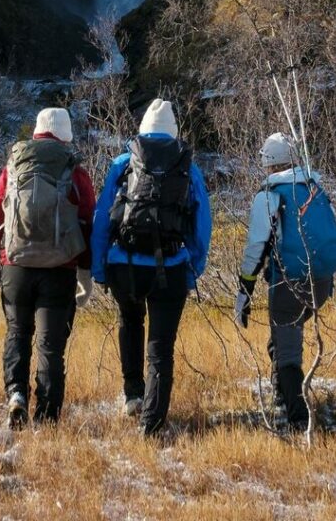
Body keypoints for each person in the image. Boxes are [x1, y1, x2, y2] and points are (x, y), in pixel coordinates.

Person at [91, 98, 212, 437]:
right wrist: (193, 267)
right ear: (173, 133)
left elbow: (103, 217)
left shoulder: (123, 162)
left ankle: (133, 395)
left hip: (125, 264)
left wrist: (100, 266)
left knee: (130, 321)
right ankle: (152, 423)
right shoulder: (188, 166)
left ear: (143, 130)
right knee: (161, 345)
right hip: (171, 266)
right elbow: (202, 221)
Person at [0, 107, 96, 429]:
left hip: (17, 267)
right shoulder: (74, 170)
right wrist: (86, 271)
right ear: (64, 135)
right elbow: (88, 222)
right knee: (50, 345)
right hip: (60, 268)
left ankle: (16, 394)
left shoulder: (13, 168)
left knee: (17, 333)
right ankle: (47, 417)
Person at [234, 132, 336, 431]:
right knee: (283, 338)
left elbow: (256, 246)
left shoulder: (269, 195)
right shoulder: (314, 187)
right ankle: (281, 393)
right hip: (321, 282)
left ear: (268, 163)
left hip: (289, 281)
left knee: (287, 350)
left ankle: (298, 419)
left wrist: (244, 291)